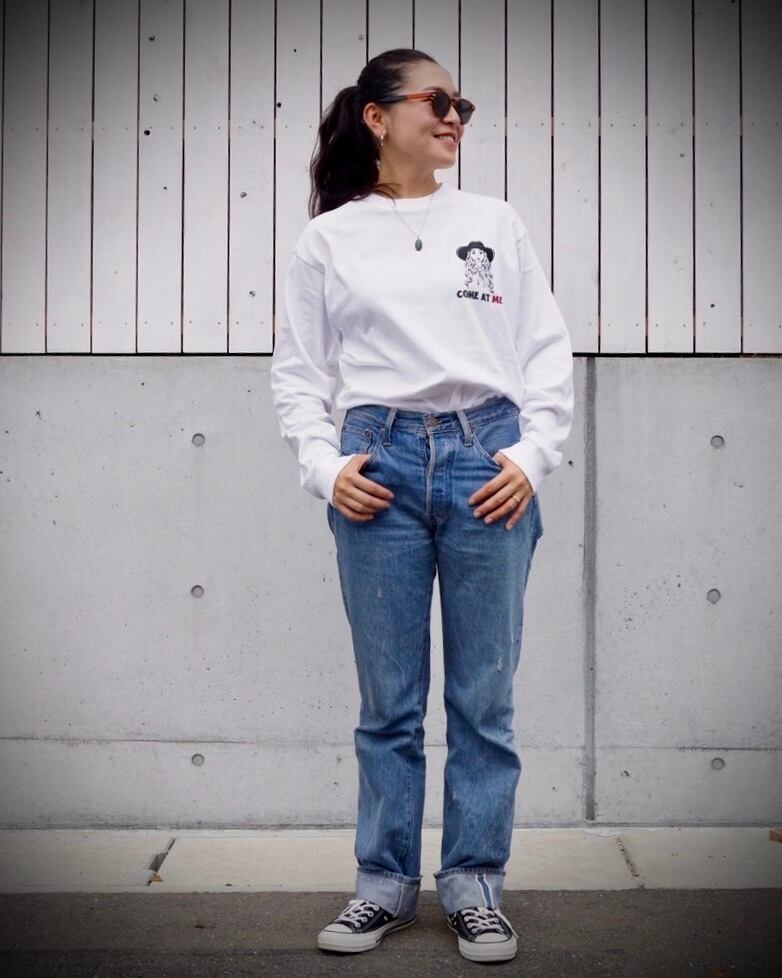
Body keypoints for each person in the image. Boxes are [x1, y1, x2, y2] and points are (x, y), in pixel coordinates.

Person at [269, 47, 574, 964]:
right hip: (379, 466)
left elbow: (543, 347)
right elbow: (299, 373)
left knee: (484, 701)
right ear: (377, 116)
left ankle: (474, 887)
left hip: (488, 460)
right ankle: (384, 887)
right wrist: (324, 467)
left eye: (461, 105)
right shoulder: (331, 239)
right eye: (437, 100)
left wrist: (531, 455)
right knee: (388, 706)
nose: (454, 117)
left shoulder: (492, 221)